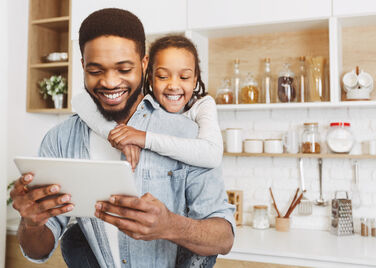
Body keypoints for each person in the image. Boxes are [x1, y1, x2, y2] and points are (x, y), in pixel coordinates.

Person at [10, 8, 235, 268]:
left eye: (124, 69)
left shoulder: (186, 134)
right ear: (82, 65)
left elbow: (224, 237)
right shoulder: (60, 140)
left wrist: (170, 225)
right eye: (95, 70)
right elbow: (38, 250)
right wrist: (32, 222)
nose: (109, 82)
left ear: (144, 63)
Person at [72, 35, 223, 171]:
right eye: (163, 76)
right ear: (150, 78)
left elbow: (212, 154)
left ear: (195, 79)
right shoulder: (145, 104)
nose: (174, 85)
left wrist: (144, 138)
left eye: (184, 77)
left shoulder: (202, 105)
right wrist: (119, 135)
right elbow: (79, 100)